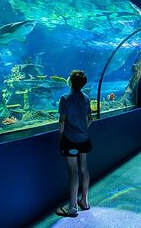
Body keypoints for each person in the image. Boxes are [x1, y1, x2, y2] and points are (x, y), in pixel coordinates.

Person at [55, 70, 93, 218]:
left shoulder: (65, 98)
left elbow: (62, 121)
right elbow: (90, 119)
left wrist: (61, 136)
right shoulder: (86, 98)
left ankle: (72, 208)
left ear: (70, 81)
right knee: (84, 168)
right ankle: (85, 201)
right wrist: (82, 129)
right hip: (84, 138)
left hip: (69, 140)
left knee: (73, 171)